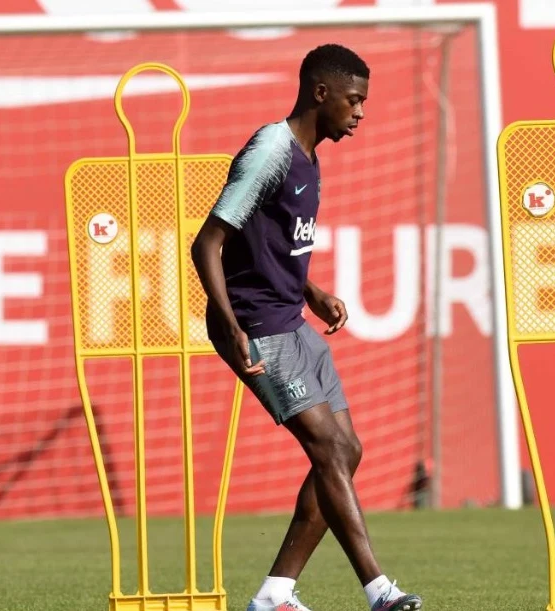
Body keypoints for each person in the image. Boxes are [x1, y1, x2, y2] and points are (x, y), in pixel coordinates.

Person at [190, 44, 423, 611]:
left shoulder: (309, 158)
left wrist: (313, 292)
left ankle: (276, 593)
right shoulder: (271, 148)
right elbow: (208, 244)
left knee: (347, 451)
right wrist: (230, 323)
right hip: (257, 326)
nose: (361, 112)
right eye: (355, 99)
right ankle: (379, 590)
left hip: (291, 318)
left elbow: (268, 247)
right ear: (322, 94)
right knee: (327, 447)